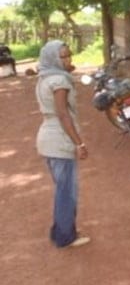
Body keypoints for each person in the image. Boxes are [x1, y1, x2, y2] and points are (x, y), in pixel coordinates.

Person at [35, 40, 90, 248]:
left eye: (69, 55)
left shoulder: (45, 77)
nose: (68, 59)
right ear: (54, 59)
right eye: (63, 57)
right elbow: (63, 113)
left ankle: (60, 231)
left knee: (62, 189)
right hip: (60, 140)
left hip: (47, 138)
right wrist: (79, 143)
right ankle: (66, 237)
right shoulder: (60, 81)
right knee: (67, 192)